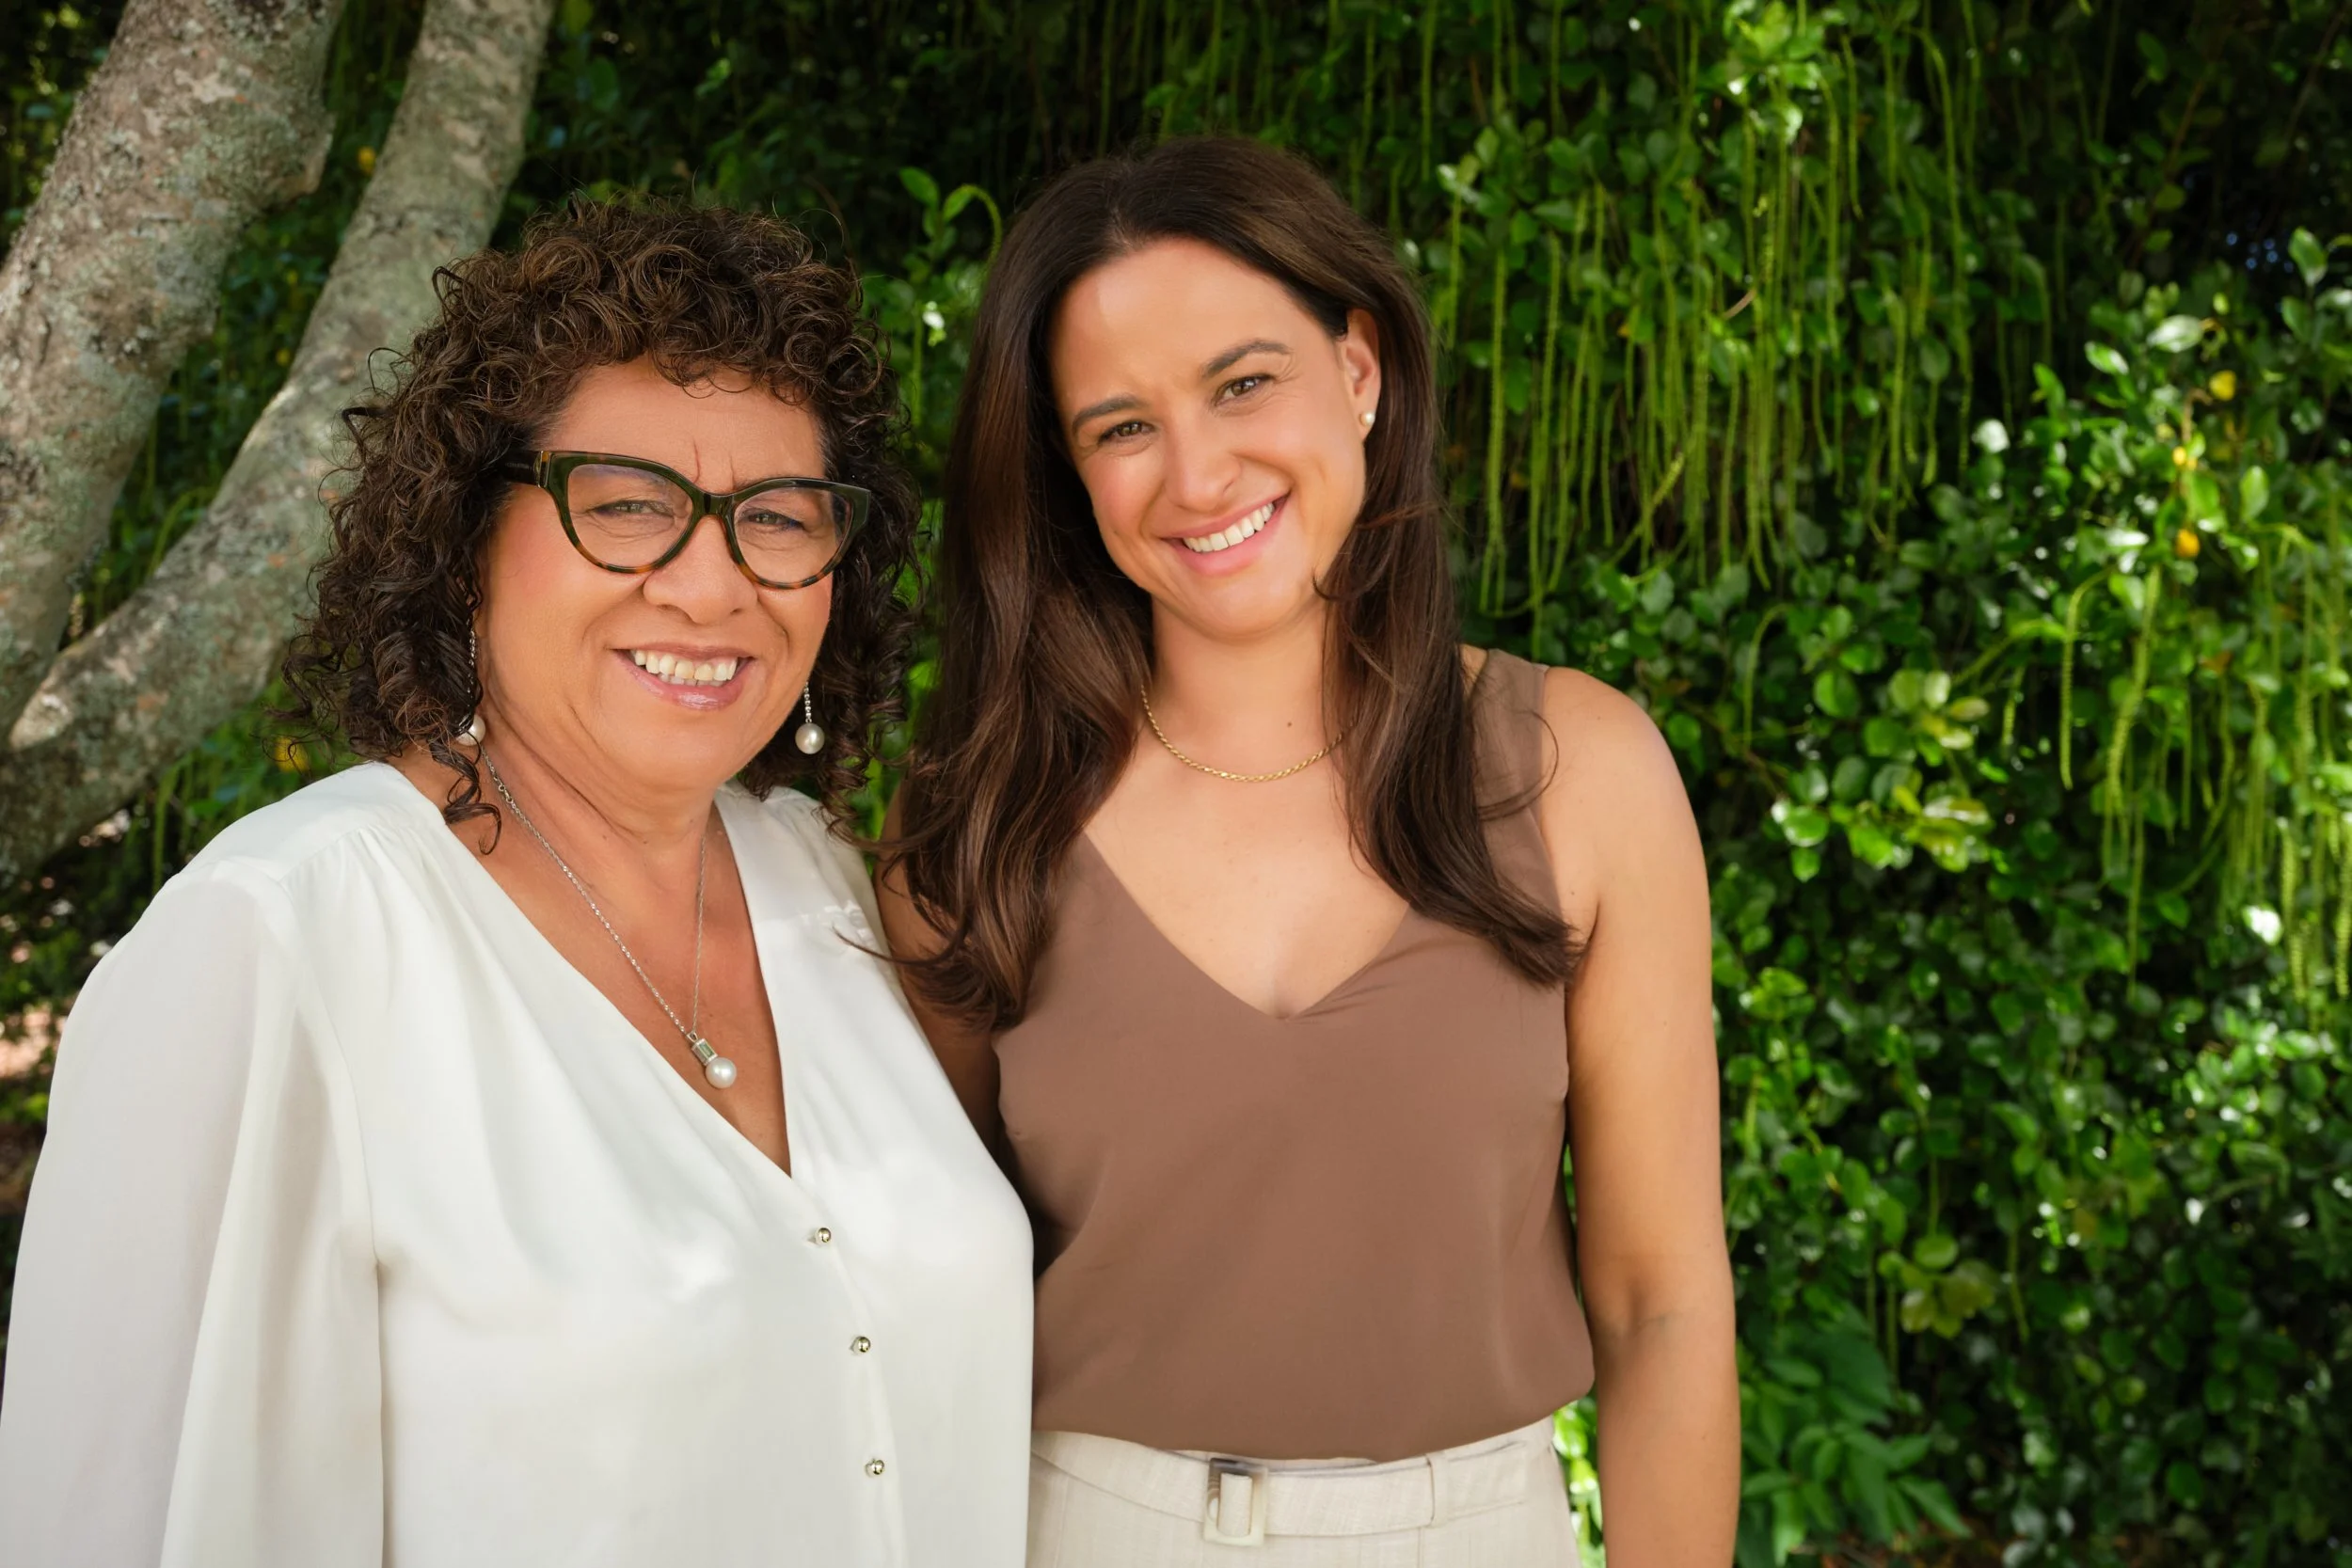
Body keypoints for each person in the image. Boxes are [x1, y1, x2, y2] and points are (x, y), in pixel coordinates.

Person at [0, 200, 1032, 1568]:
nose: (712, 585)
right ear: (466, 538)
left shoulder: (832, 885)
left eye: (778, 518)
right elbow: (118, 1527)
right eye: (626, 508)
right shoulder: (277, 944)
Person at [882, 137, 1738, 1564]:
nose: (1198, 471)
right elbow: (905, 1301)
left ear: (1358, 370)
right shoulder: (978, 823)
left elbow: (1661, 1300)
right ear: (1068, 472)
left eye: (1242, 381)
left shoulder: (1582, 769)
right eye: (1121, 425)